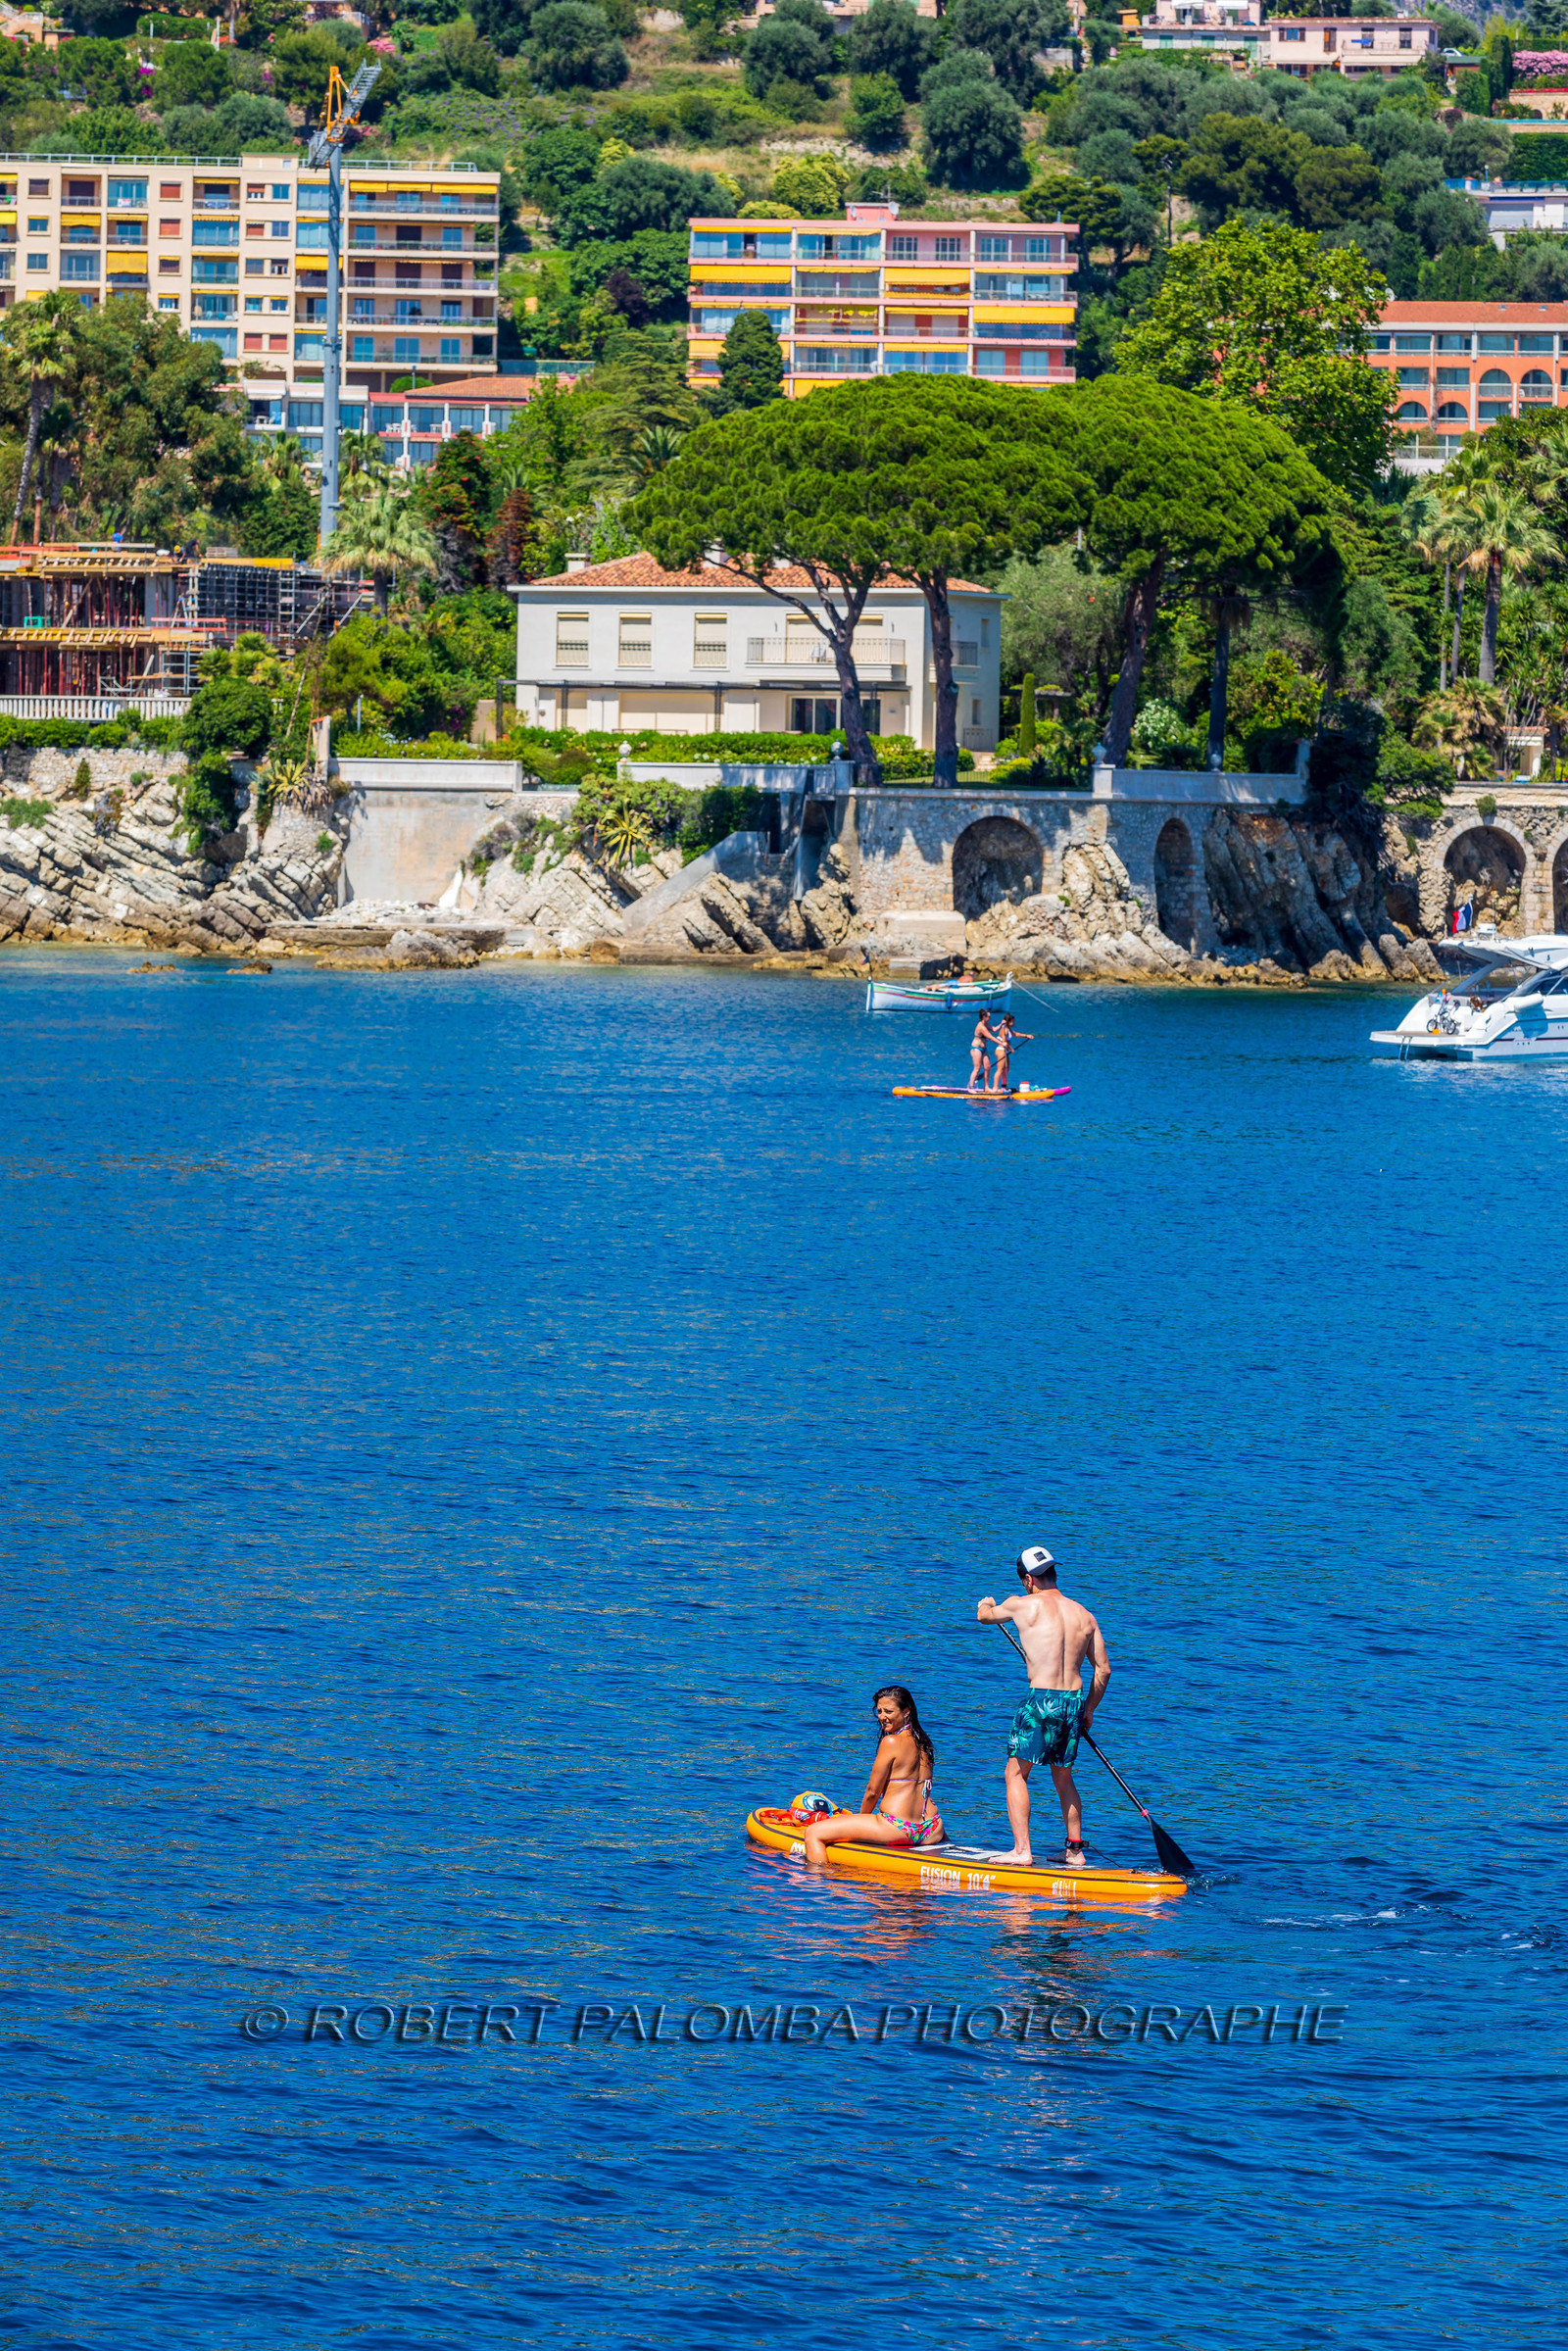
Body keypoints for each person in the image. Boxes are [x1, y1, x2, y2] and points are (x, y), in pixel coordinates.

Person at [975, 1545, 1110, 1868]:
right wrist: (1089, 1709)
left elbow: (984, 1617)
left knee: (1015, 1775)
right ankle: (1074, 1851)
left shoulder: (1022, 1605)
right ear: (1052, 1573)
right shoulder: (1085, 1615)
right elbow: (1103, 1669)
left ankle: (1022, 1851)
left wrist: (986, 1602)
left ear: (1028, 1580)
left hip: (1041, 1699)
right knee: (1063, 1778)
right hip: (1073, 1701)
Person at [801, 1686, 944, 1861]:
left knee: (814, 1832)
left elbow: (872, 1792)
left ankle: (817, 1883)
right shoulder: (924, 1741)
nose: (883, 1717)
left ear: (906, 1711)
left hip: (898, 1827)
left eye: (889, 1711)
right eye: (879, 1711)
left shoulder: (891, 1741)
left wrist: (861, 1820)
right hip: (932, 1827)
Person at [992, 1012, 1034, 1094]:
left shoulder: (1009, 1029)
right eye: (1013, 1022)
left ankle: (1004, 1086)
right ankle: (995, 1088)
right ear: (1009, 1022)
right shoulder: (1004, 1030)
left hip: (1005, 1051)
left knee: (1006, 1069)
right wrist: (1011, 1049)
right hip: (1001, 1050)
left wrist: (1026, 1035)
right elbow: (1004, 1042)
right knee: (1000, 1070)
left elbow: (1016, 1034)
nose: (1014, 1023)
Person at [968, 1009, 1000, 1094]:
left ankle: (986, 1087)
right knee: (977, 1068)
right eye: (988, 1016)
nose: (990, 1018)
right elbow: (991, 1037)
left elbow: (994, 1029)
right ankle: (971, 1087)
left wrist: (1002, 1023)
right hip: (976, 1049)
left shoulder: (986, 1024)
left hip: (984, 1049)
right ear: (984, 1017)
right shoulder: (981, 1026)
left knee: (987, 1067)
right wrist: (1001, 1043)